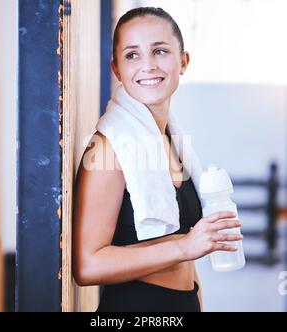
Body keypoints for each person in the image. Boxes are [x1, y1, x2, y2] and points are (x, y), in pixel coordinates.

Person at [72, 7, 243, 312]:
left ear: (184, 61)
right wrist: (185, 246)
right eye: (132, 55)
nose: (147, 66)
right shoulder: (107, 149)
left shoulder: (173, 141)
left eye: (160, 51)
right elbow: (87, 266)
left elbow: (187, 260)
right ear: (116, 70)